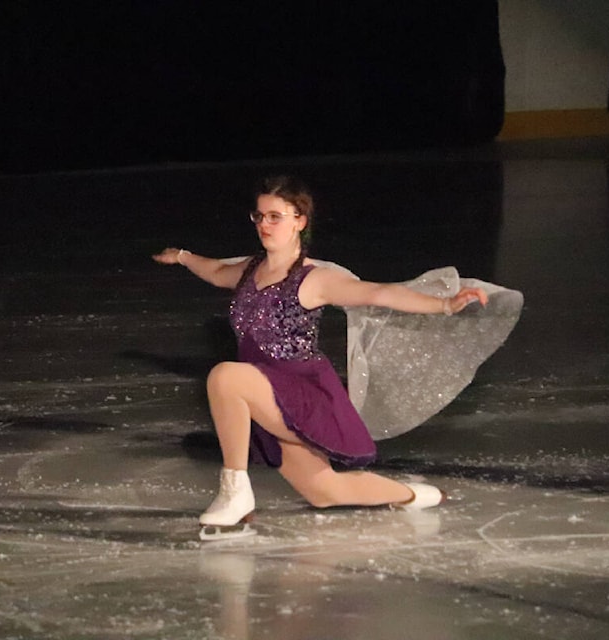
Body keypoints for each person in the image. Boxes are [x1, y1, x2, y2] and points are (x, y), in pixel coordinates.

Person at [153, 175, 488, 539]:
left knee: (225, 376)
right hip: (263, 390)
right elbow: (217, 271)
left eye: (275, 217)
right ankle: (415, 494)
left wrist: (443, 305)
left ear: (300, 220)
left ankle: (235, 491)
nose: (265, 225)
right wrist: (183, 257)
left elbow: (378, 293)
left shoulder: (313, 279)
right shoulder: (251, 270)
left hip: (303, 394)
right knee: (324, 492)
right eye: (260, 216)